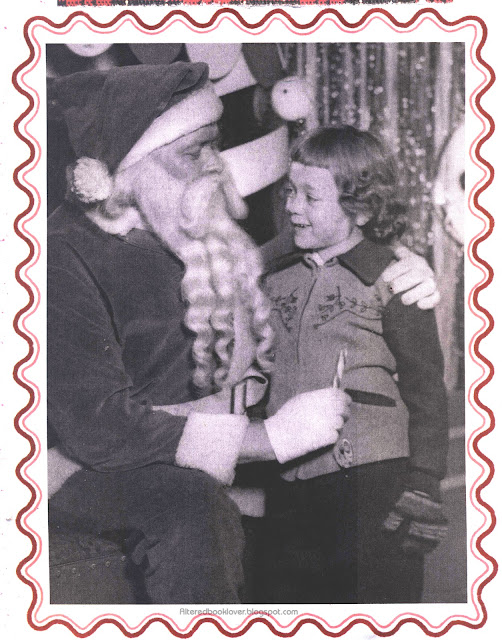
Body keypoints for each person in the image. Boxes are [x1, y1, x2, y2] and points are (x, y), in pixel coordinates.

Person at [47, 62, 440, 604]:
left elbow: (312, 244)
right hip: (98, 465)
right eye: (195, 151)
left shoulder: (184, 225)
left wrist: (397, 259)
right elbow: (100, 427)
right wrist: (267, 440)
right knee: (192, 508)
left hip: (331, 467)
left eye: (216, 144)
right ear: (129, 169)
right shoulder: (59, 256)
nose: (217, 165)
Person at [258, 127, 449, 604]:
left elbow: (427, 389)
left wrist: (424, 482)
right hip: (287, 483)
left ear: (359, 208)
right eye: (290, 192)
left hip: (372, 481)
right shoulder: (275, 278)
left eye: (311, 197)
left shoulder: (396, 279)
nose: (293, 207)